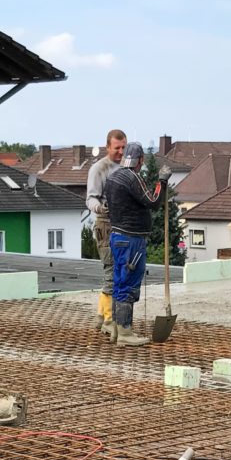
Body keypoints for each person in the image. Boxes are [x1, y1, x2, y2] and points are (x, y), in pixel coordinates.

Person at [102, 141, 168, 347]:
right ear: (140, 160)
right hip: (131, 240)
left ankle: (115, 329)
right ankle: (125, 332)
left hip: (117, 237)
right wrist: (162, 181)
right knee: (128, 284)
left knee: (119, 282)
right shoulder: (132, 178)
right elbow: (153, 201)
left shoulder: (112, 178)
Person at [84, 130, 126, 337]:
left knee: (118, 271)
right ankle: (109, 320)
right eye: (117, 148)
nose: (121, 152)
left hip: (122, 225)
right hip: (105, 226)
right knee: (111, 271)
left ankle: (101, 317)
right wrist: (100, 208)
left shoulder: (126, 167)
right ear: (108, 147)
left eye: (124, 147)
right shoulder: (99, 168)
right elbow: (90, 198)